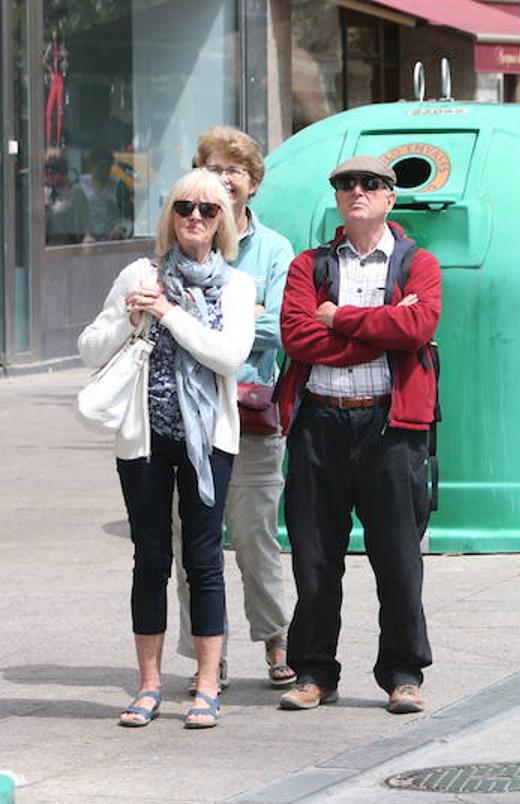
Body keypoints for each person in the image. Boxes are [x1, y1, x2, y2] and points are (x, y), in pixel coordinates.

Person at [77, 169, 255, 728]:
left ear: (223, 221)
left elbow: (228, 358)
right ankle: (148, 684)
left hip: (209, 443)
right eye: (184, 208)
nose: (195, 218)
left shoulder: (236, 286)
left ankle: (205, 685)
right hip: (144, 438)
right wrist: (130, 317)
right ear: (170, 216)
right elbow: (88, 348)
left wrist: (169, 314)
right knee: (149, 558)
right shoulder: (140, 273)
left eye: (207, 210)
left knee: (204, 560)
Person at [275, 155, 442, 715]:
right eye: (346, 183)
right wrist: (382, 326)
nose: (357, 191)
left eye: (371, 184)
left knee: (397, 559)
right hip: (319, 421)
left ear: (391, 197)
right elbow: (298, 338)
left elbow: (419, 327)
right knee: (315, 558)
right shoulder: (309, 265)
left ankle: (403, 673)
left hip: (390, 427)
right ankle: (314, 672)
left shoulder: (419, 263)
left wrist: (339, 318)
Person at [172, 127, 296, 695]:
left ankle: (276, 640)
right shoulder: (182, 238)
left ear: (252, 182)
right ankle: (207, 656)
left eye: (234, 170)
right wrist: (242, 318)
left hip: (249, 413)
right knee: (190, 540)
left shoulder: (274, 250)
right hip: (186, 414)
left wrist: (209, 326)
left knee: (254, 535)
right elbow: (166, 318)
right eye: (212, 168)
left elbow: (282, 327)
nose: (223, 179)